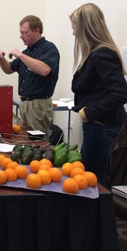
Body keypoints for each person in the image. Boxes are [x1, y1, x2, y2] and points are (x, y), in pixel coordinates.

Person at [69, 3, 127, 186]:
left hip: (102, 127)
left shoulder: (102, 54)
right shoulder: (96, 53)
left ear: (86, 27)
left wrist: (90, 112)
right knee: (92, 176)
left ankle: (100, 215)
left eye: (74, 28)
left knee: (96, 181)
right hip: (99, 126)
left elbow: (120, 93)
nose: (73, 33)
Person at [0, 15, 60, 140]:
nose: (21, 36)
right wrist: (1, 59)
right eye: (21, 32)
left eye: (25, 33)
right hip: (25, 104)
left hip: (38, 105)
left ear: (37, 30)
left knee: (38, 142)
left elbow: (45, 70)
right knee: (26, 139)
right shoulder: (27, 52)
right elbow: (8, 69)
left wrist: (19, 55)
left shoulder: (48, 48)